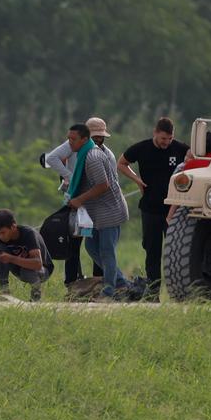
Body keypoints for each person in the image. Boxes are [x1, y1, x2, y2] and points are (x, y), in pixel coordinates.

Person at [118, 117, 189, 297]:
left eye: (170, 139)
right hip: (150, 208)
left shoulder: (180, 148)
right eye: (163, 138)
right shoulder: (142, 148)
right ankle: (153, 292)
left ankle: (178, 292)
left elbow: (195, 160)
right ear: (155, 133)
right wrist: (137, 180)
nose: (167, 142)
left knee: (176, 252)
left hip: (173, 211)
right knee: (152, 250)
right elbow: (121, 163)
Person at [43, 117, 112, 285]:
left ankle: (99, 283)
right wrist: (71, 177)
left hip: (97, 205)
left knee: (98, 245)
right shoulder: (72, 146)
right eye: (94, 136)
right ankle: (72, 283)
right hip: (76, 203)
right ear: (86, 136)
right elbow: (50, 159)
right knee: (73, 245)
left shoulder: (106, 153)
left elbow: (110, 180)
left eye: (100, 136)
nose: (98, 139)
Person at [66, 123, 129, 300]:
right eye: (68, 138)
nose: (70, 142)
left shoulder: (93, 157)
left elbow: (103, 185)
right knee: (91, 246)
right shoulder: (84, 153)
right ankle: (121, 282)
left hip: (109, 211)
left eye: (73, 139)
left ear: (85, 139)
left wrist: (79, 199)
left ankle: (109, 291)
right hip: (95, 213)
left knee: (107, 251)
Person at [0, 209, 54, 302]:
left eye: (3, 232)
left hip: (42, 270)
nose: (0, 236)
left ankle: (36, 297)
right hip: (19, 268)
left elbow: (38, 264)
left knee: (27, 271)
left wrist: (11, 258)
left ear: (13, 227)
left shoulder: (29, 234)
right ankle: (4, 291)